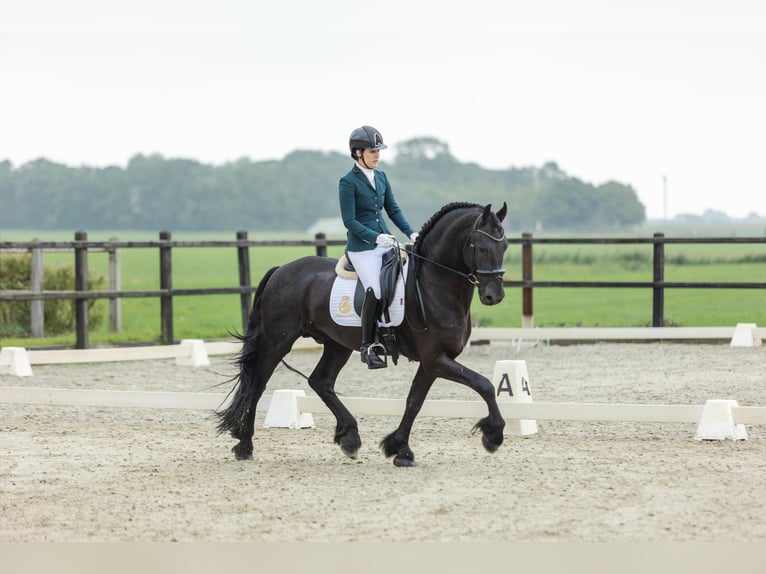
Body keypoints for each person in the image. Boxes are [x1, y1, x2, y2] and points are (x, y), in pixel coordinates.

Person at [339, 125, 419, 369]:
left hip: (385, 241)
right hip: (362, 248)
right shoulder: (347, 182)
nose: (377, 155)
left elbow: (393, 209)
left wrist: (411, 233)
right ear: (357, 153)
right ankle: (367, 346)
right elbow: (349, 221)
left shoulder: (382, 177)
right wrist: (375, 238)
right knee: (376, 289)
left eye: (378, 151)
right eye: (372, 151)